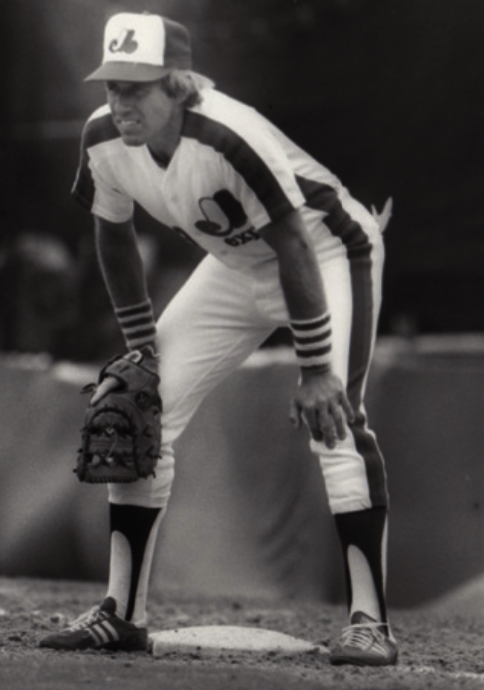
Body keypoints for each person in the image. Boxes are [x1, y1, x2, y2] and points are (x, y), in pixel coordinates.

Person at [39, 11, 397, 666]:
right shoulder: (103, 139)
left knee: (338, 420)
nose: (119, 101)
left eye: (136, 87)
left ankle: (370, 622)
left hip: (327, 251)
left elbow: (292, 239)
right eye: (112, 85)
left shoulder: (231, 135)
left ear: (178, 84)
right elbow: (112, 233)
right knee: (137, 407)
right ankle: (122, 614)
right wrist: (141, 343)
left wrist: (316, 366)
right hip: (236, 267)